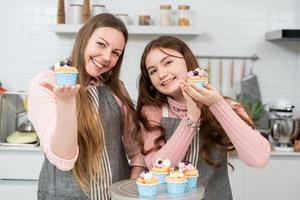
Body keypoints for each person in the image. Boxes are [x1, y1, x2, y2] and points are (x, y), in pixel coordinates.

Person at [136, 36, 271, 199]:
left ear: (187, 61)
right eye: (153, 71)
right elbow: (156, 168)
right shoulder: (152, 112)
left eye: (168, 62)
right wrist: (191, 119)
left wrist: (217, 104)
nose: (162, 74)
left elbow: (259, 159)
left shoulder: (227, 106)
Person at [28, 13, 145, 200]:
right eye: (101, 44)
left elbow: (136, 148)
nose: (107, 57)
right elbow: (63, 160)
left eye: (116, 53)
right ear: (84, 38)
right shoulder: (46, 83)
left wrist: (132, 184)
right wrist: (66, 102)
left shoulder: (116, 88)